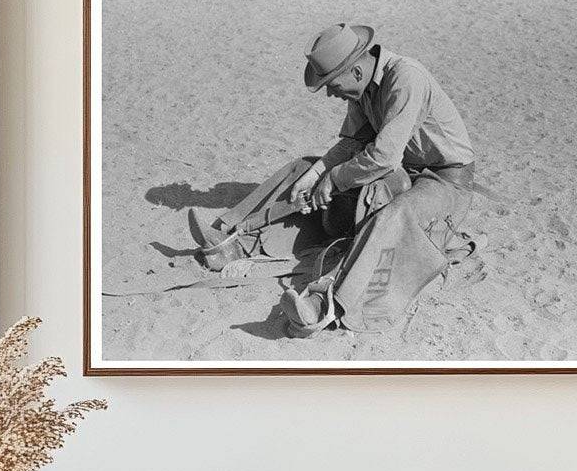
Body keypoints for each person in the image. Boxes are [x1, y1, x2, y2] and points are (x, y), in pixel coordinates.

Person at [190, 23, 476, 336]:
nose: (329, 92)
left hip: (445, 183)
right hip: (403, 171)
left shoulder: (406, 79)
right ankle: (234, 240)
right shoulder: (364, 85)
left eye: (330, 83)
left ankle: (325, 303)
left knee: (395, 214)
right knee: (303, 168)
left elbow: (383, 157)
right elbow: (352, 143)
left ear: (355, 71)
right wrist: (316, 174)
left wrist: (333, 180)